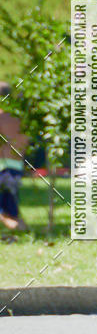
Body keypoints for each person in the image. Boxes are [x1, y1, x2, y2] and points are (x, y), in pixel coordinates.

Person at [0, 82, 29, 232]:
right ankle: (24, 231)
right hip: (16, 167)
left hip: (2, 167)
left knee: (4, 212)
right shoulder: (20, 118)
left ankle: (21, 231)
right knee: (11, 210)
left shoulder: (2, 117)